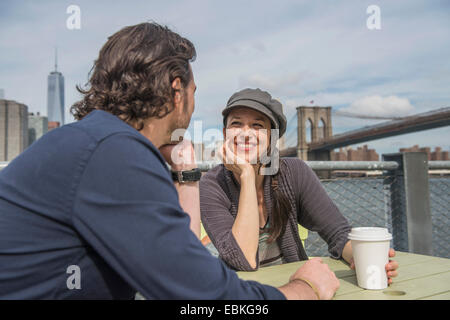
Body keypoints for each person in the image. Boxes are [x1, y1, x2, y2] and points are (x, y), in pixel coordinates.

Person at [0, 22, 339, 300]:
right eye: (194, 91)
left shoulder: (94, 142)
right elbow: (202, 300)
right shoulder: (114, 155)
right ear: (178, 91)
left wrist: (184, 173)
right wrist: (302, 289)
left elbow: (182, 266)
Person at [199, 88, 399, 283]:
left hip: (295, 287)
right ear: (225, 133)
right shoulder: (212, 184)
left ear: (272, 137)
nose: (245, 133)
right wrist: (247, 175)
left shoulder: (294, 172)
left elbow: (338, 233)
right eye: (237, 124)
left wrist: (359, 257)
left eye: (257, 125)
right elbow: (242, 260)